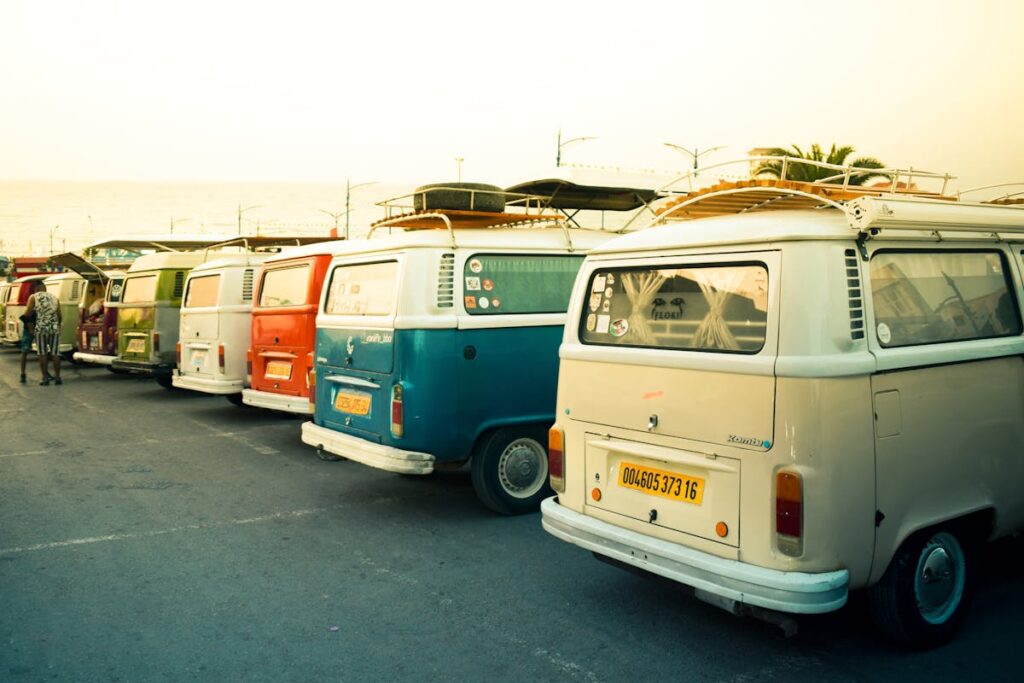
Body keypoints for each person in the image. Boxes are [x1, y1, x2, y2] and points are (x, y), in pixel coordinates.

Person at [26, 285, 62, 385]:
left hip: (41, 328)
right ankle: (58, 377)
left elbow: (27, 314)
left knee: (42, 353)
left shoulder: (33, 297)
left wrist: (29, 327)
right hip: (54, 329)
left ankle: (45, 378)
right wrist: (58, 325)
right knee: (55, 353)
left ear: (37, 289)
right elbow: (59, 314)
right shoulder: (55, 298)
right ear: (45, 289)